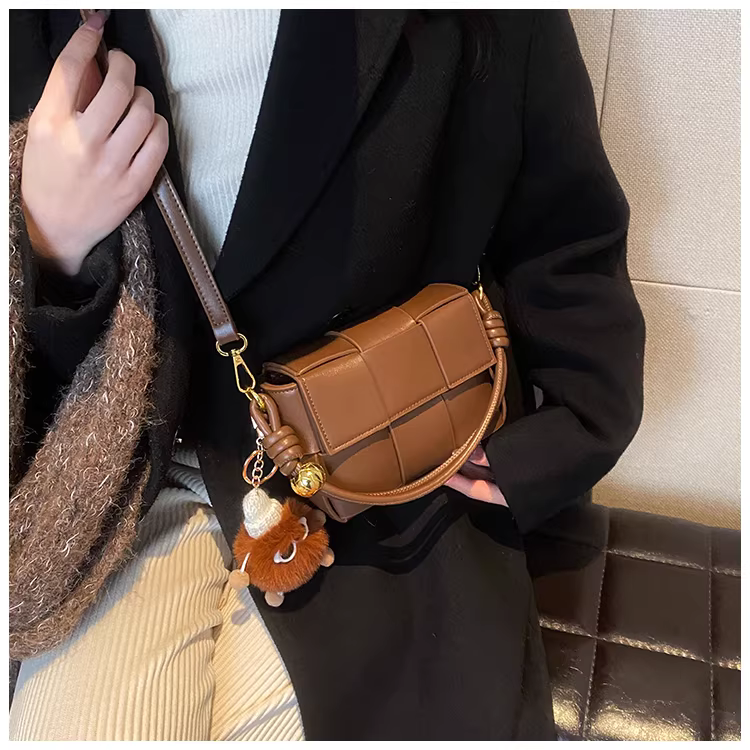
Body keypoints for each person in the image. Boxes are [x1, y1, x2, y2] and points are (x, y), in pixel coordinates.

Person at [8, 9, 645, 741]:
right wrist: (47, 240)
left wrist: (561, 435)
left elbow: (565, 237)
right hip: (120, 483)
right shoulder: (41, 22)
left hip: (385, 481)